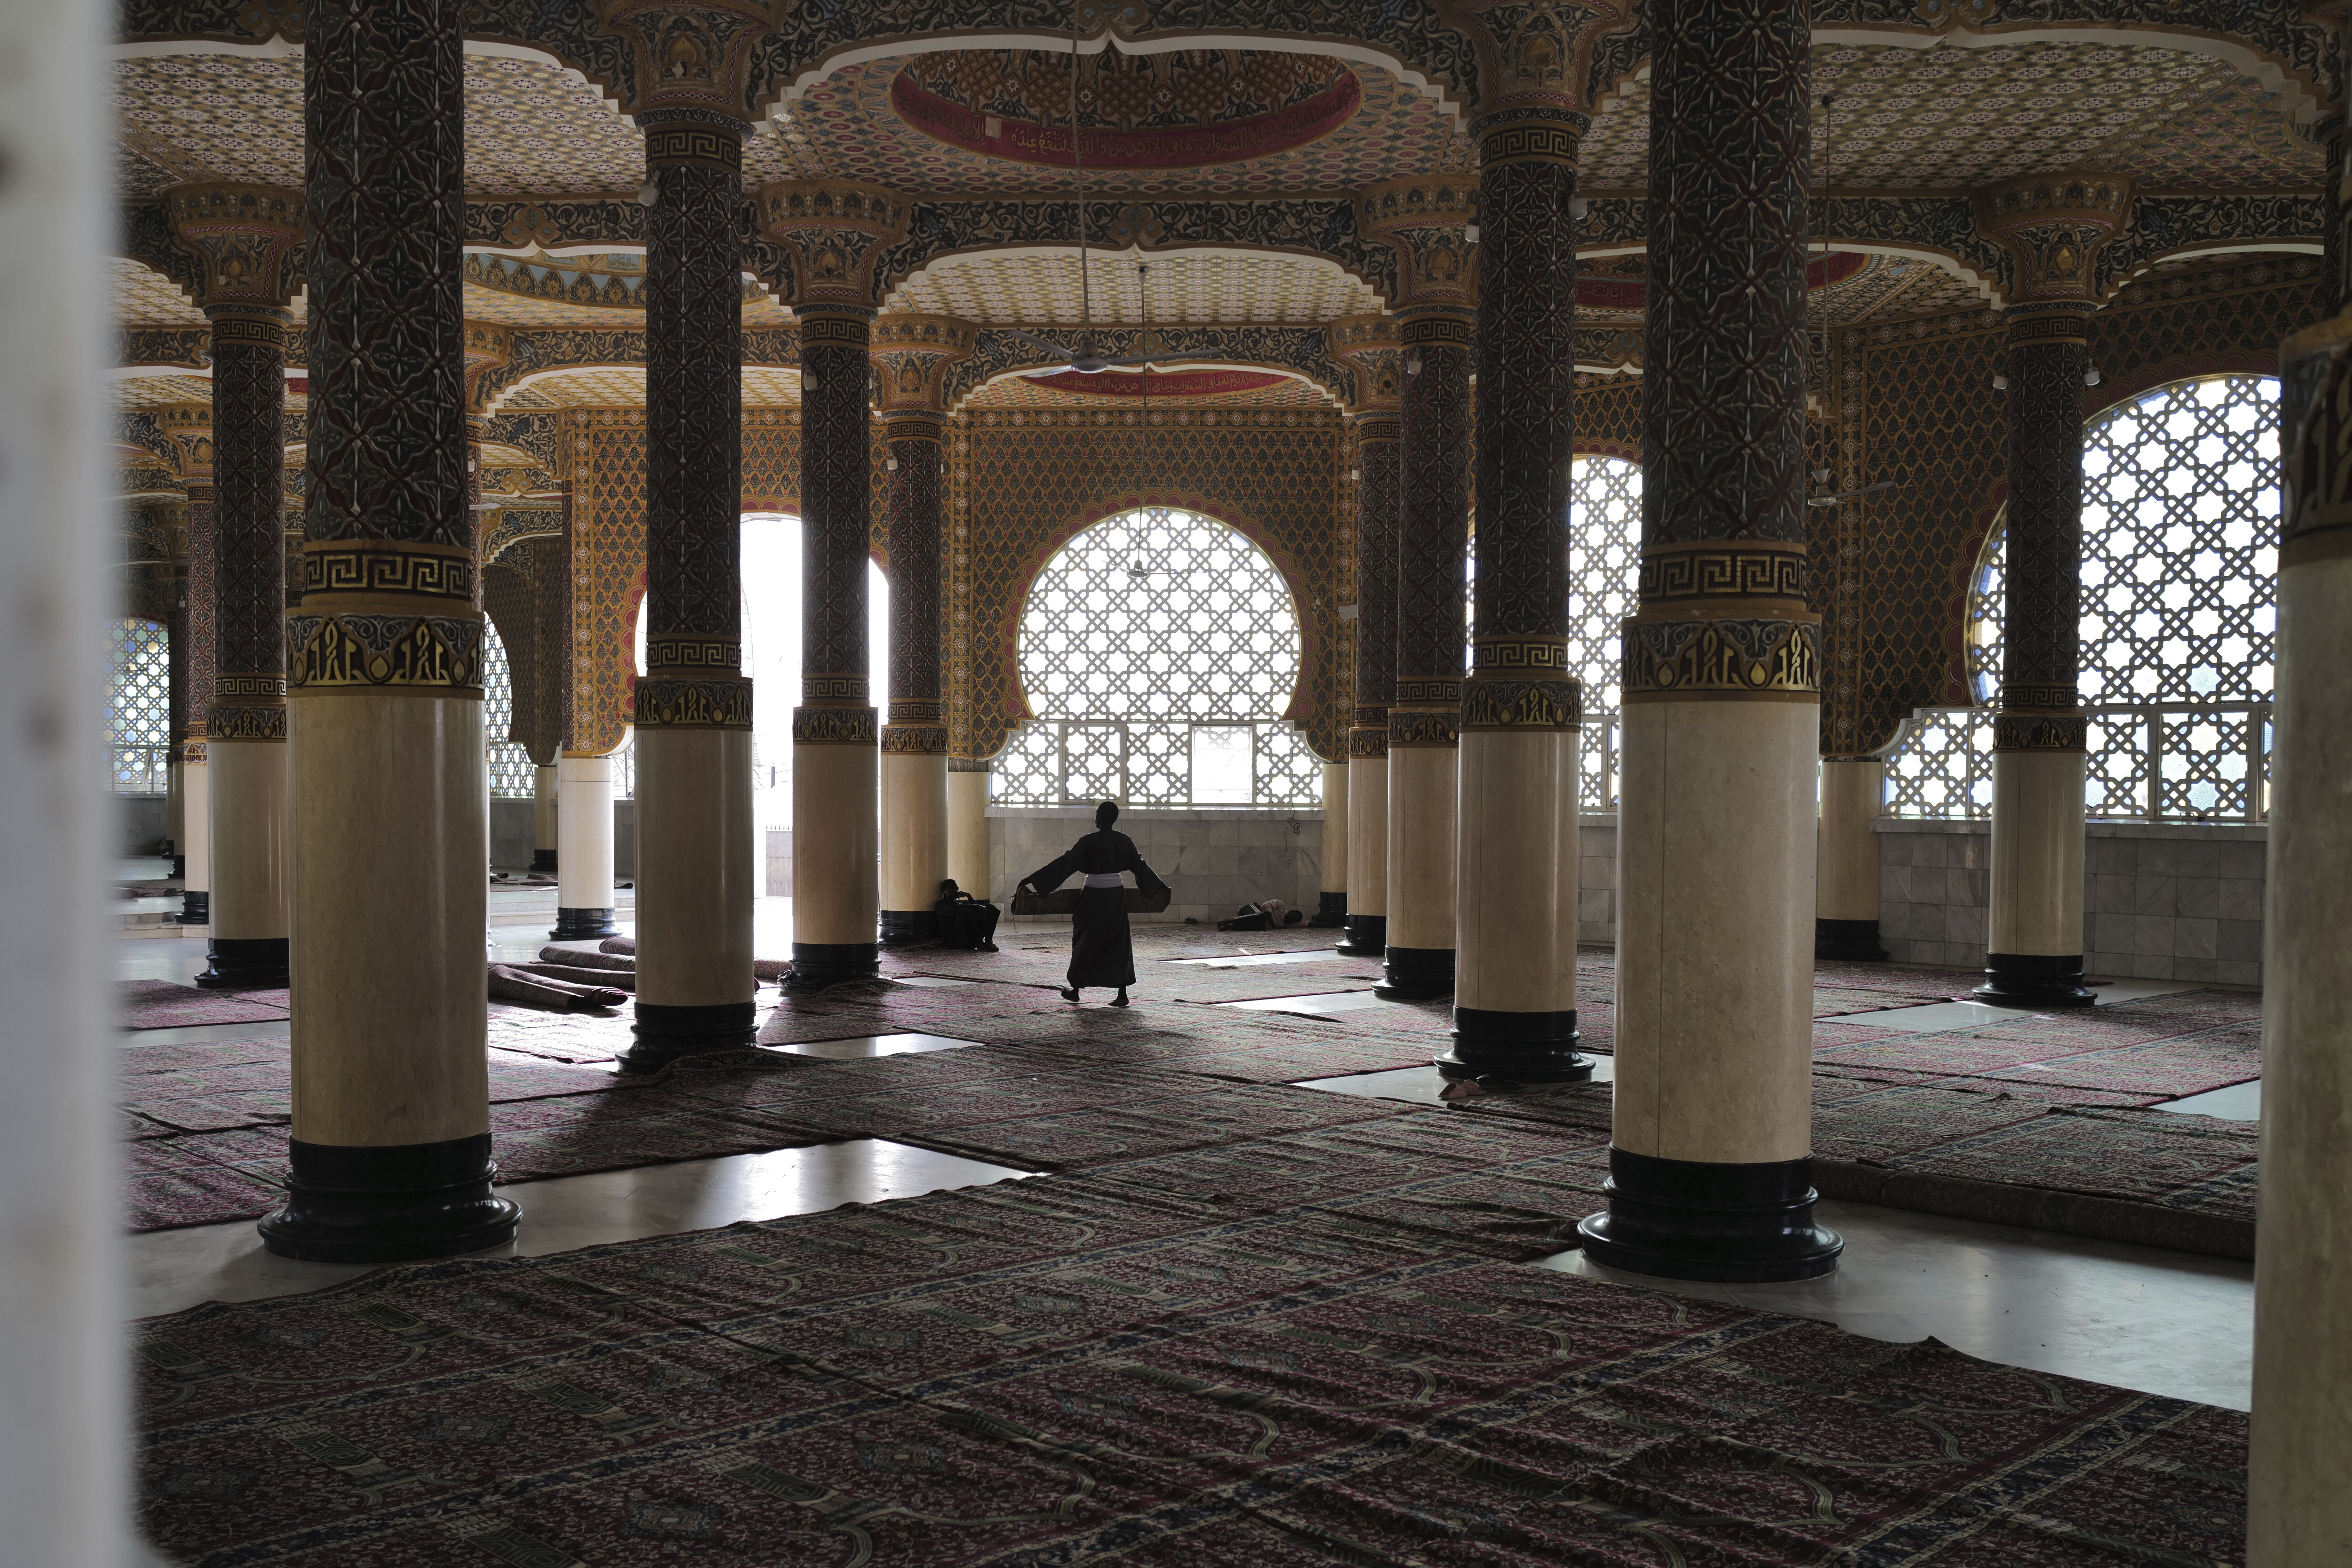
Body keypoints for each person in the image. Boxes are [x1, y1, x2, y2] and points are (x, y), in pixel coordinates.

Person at [1019, 800, 1169, 1007]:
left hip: (1092, 897)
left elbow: (1066, 863)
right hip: (1116, 898)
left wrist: (1034, 880)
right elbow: (1140, 866)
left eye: (1098, 814)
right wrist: (1160, 887)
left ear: (1103, 818)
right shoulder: (1124, 841)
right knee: (1118, 942)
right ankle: (1122, 995)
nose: (1096, 817)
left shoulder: (1088, 842)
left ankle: (1076, 991)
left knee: (1085, 939)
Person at [933, 878, 1000, 952]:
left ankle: (988, 941)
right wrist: (976, 906)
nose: (957, 892)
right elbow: (955, 909)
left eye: (957, 889)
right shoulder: (940, 905)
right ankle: (980, 944)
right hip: (954, 943)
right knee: (963, 911)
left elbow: (978, 911)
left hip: (970, 941)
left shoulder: (958, 905)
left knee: (991, 908)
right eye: (953, 890)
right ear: (945, 892)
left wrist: (969, 896)